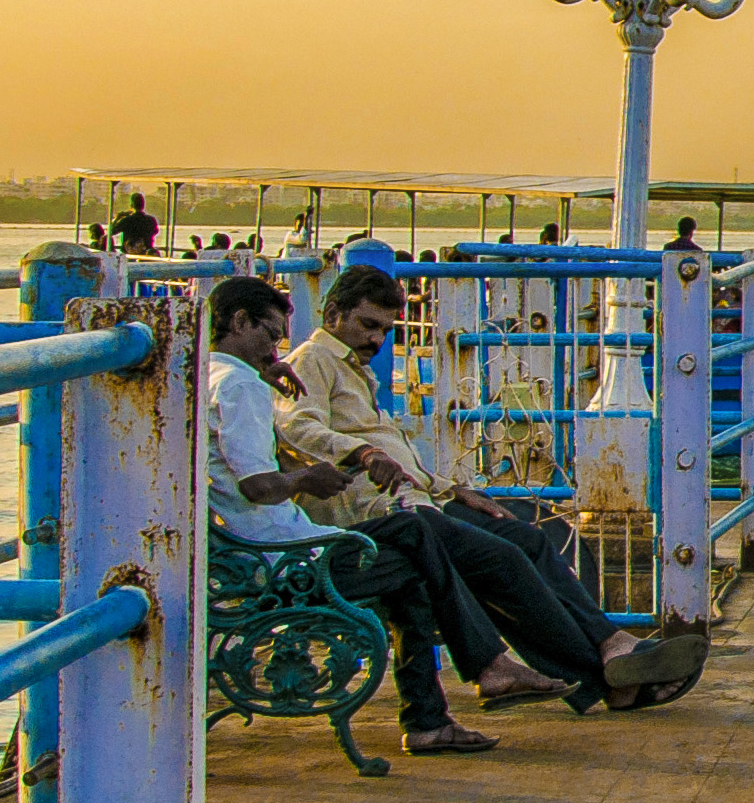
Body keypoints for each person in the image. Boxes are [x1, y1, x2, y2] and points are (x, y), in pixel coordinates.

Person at [285, 263, 704, 708]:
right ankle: (608, 675)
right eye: (369, 325)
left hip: (420, 498)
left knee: (528, 539)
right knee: (504, 563)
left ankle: (610, 643)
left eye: (385, 330)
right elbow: (295, 425)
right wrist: (362, 454)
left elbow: (394, 453)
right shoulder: (312, 362)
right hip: (381, 515)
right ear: (332, 314)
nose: (377, 340)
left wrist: (450, 488)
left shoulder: (354, 369)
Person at [201, 274, 491, 757]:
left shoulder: (206, 376)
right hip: (283, 562)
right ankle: (465, 680)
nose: (276, 352)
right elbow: (259, 486)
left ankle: (438, 709)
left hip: (245, 556)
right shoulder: (240, 389)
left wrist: (262, 373)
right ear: (238, 321)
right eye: (270, 338)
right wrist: (306, 479)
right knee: (416, 547)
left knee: (414, 548)